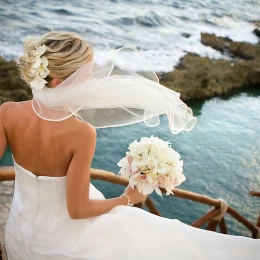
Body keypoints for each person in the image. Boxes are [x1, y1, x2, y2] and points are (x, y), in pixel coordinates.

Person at [0, 31, 259, 260]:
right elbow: (78, 210)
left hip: (17, 236)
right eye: (86, 75)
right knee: (164, 240)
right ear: (58, 83)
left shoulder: (7, 112)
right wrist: (128, 198)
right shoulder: (81, 133)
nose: (93, 81)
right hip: (62, 246)